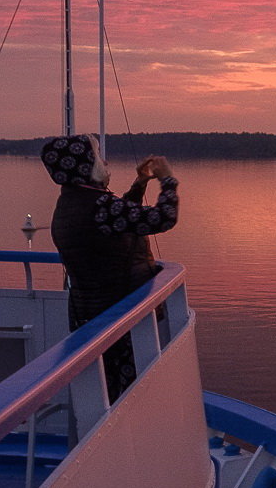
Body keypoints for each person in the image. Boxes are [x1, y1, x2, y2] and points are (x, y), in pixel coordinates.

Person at [42, 134, 178, 396]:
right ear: (85, 165)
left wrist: (139, 184)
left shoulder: (72, 201)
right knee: (129, 393)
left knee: (105, 390)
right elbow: (163, 218)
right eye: (97, 156)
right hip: (119, 316)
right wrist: (168, 180)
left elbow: (118, 219)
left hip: (92, 315)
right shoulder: (98, 205)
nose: (104, 161)